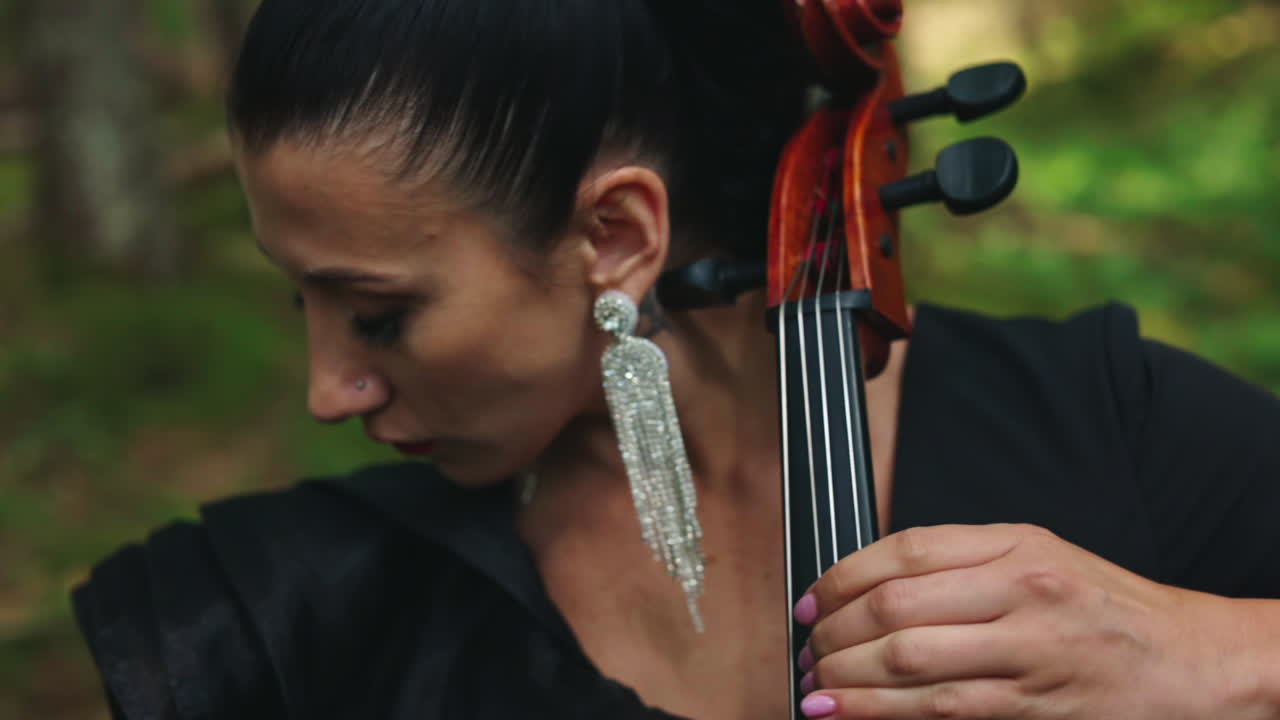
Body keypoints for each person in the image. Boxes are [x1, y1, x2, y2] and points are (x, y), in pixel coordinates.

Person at [72, 1, 1280, 719]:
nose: (325, 392)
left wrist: (1207, 657)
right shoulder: (286, 617)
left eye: (378, 316)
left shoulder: (1101, 425)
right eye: (303, 305)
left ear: (615, 236)